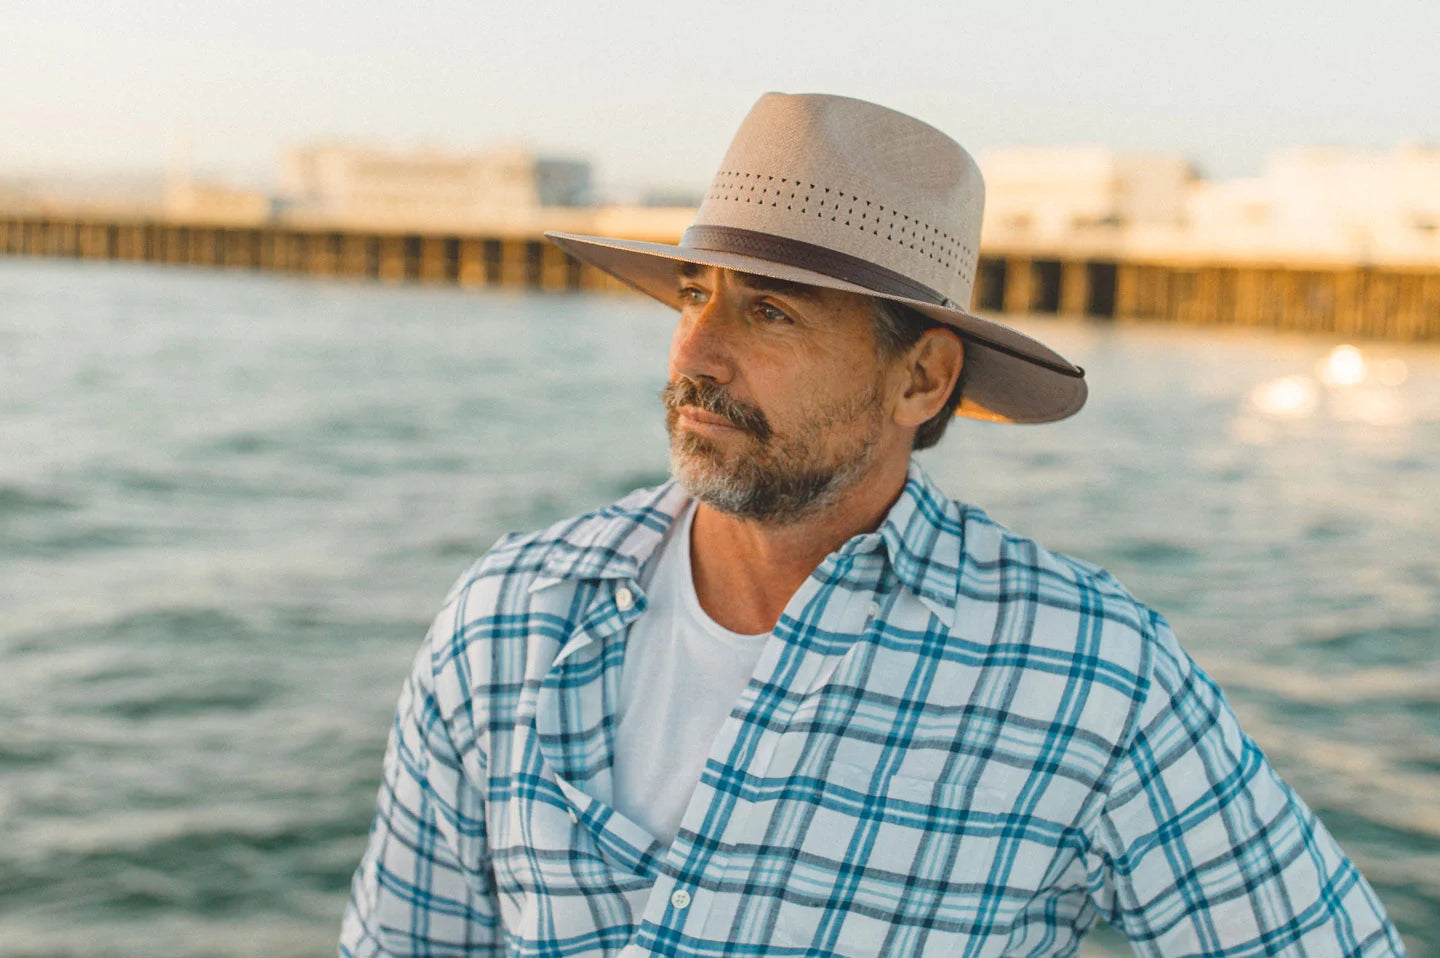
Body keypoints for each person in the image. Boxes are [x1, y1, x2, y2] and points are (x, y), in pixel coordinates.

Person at [339, 93, 1402, 956]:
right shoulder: (507, 617)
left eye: (769, 311)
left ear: (922, 379)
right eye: (695, 294)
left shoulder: (1088, 674)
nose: (694, 354)